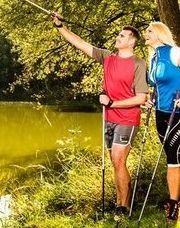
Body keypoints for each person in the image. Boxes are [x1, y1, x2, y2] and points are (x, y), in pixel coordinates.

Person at [52, 13, 148, 212]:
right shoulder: (107, 57)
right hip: (109, 119)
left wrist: (112, 103)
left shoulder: (138, 64)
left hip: (128, 119)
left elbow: (141, 98)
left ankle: (124, 207)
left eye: (122, 36)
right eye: (118, 35)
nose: (118, 38)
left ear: (132, 41)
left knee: (119, 159)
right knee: (116, 162)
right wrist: (60, 26)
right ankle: (119, 202)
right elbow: (79, 43)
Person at [142, 21, 180, 221]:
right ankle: (178, 195)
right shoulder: (152, 57)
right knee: (170, 153)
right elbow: (158, 86)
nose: (146, 33)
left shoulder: (175, 53)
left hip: (179, 113)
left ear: (160, 34)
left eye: (150, 31)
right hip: (160, 113)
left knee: (173, 156)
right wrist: (151, 99)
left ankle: (173, 205)